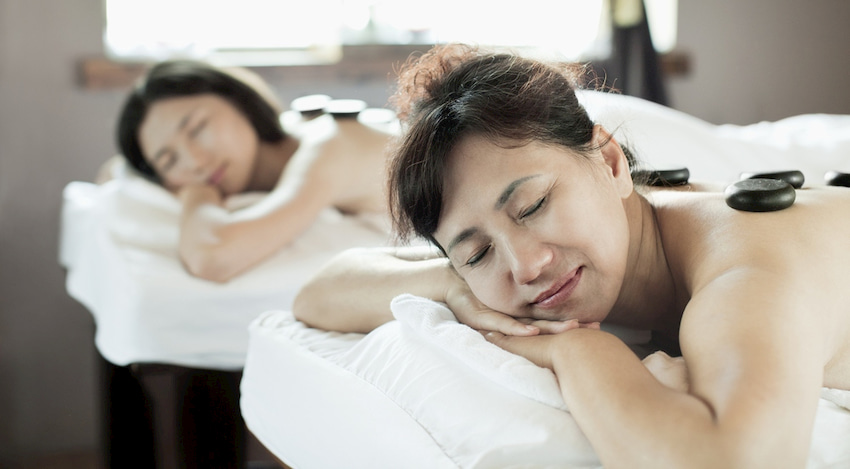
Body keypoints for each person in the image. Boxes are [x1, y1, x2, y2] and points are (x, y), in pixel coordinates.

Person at [294, 44, 850, 467]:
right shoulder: (621, 234)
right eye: (479, 251)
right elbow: (320, 291)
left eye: (533, 205)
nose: (526, 266)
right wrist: (453, 286)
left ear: (610, 162)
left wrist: (581, 353)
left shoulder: (746, 272)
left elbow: (734, 460)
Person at [105, 59, 394, 282]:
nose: (195, 162)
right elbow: (110, 172)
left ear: (237, 100)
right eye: (168, 161)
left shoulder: (329, 146)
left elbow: (213, 257)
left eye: (197, 129)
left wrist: (196, 194)